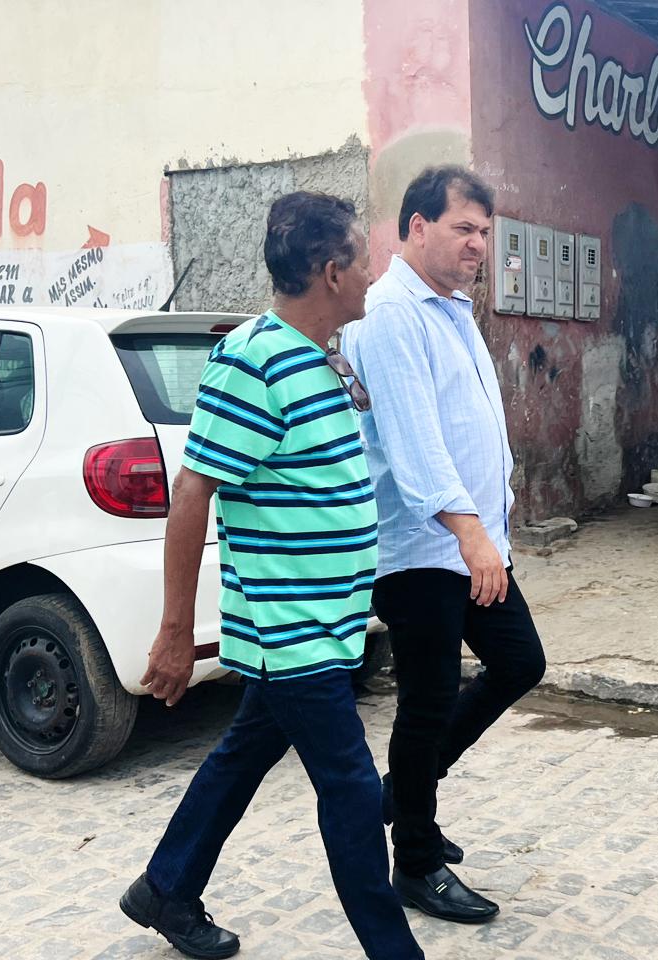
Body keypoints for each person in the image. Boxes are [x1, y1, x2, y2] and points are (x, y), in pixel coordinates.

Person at [118, 192, 424, 960]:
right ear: (331, 271)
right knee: (353, 792)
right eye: (364, 256)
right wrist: (176, 632)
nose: (372, 270)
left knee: (245, 752)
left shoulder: (319, 354)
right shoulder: (254, 360)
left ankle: (166, 886)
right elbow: (195, 489)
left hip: (322, 620)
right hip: (291, 632)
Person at [342, 166, 546, 924]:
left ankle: (406, 794)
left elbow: (470, 420)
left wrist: (493, 521)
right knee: (425, 702)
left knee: (521, 661)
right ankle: (416, 863)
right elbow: (414, 440)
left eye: (486, 231)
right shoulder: (392, 312)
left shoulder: (451, 307)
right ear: (416, 227)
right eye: (464, 228)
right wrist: (469, 533)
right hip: (422, 545)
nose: (479, 245)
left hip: (469, 541)